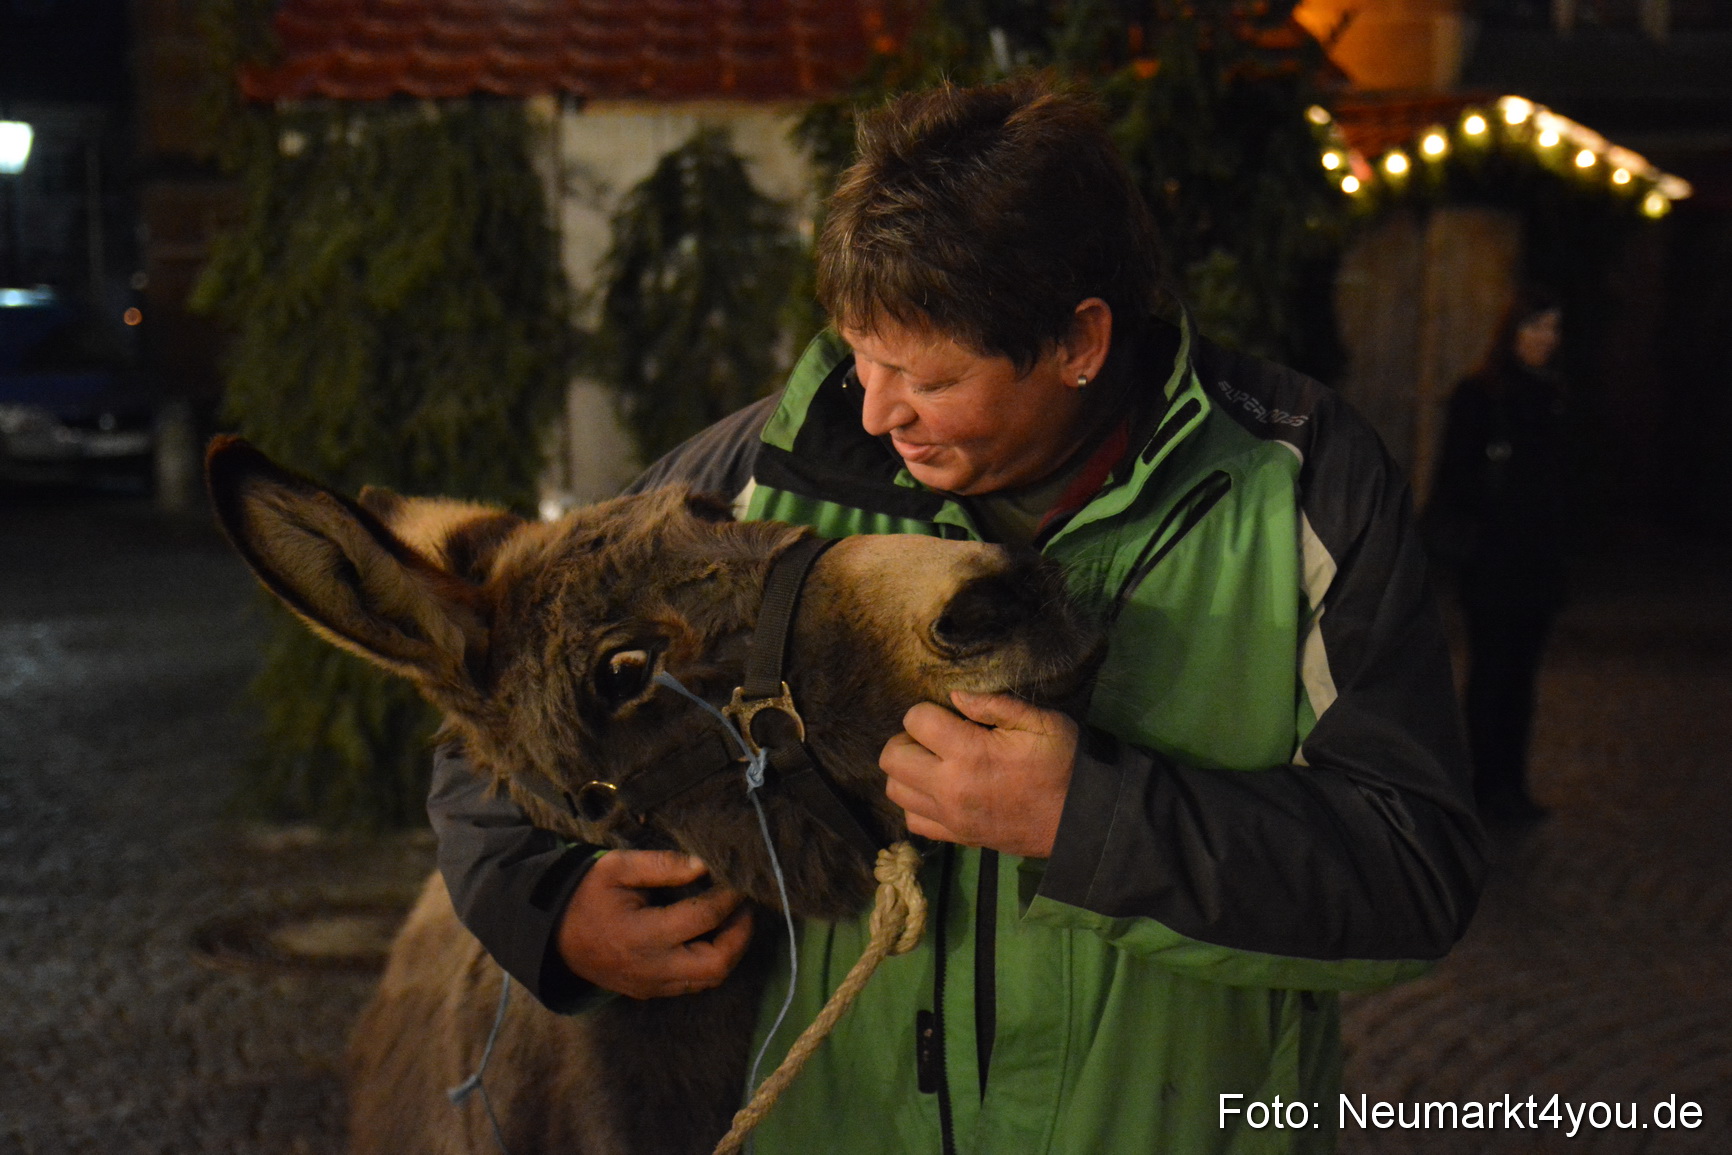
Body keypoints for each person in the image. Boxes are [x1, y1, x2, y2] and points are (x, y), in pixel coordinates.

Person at [428, 77, 1485, 1153]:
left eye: (927, 376)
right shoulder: (758, 476)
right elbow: (494, 711)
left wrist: (1090, 825)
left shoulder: (1306, 487)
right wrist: (548, 909)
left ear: (1080, 341)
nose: (877, 411)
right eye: (858, 352)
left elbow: (1413, 875)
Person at [1427, 287, 1571, 823]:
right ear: (1511, 334)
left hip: (1536, 561)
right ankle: (1483, 783)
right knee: (1490, 672)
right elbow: (1455, 477)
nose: (1544, 340)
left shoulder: (1554, 397)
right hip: (1493, 560)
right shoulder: (1481, 395)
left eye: (1553, 330)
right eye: (1535, 328)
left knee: (1522, 677)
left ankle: (1512, 780)